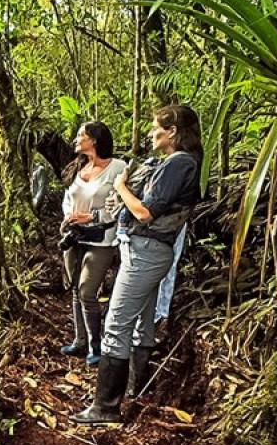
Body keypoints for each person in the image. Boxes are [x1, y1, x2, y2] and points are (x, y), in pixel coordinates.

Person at [72, 105, 202, 423]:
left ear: (171, 132)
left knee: (115, 325)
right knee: (141, 325)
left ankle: (105, 407)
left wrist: (120, 188)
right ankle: (135, 390)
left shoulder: (179, 163)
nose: (149, 132)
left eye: (155, 127)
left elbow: (145, 212)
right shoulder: (171, 163)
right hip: (145, 250)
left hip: (146, 252)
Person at [60, 122, 127, 366]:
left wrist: (94, 216)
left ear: (95, 140)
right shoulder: (78, 167)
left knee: (88, 290)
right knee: (76, 290)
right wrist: (70, 216)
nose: (76, 139)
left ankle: (96, 346)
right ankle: (80, 341)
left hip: (102, 239)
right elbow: (68, 198)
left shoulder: (118, 168)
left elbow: (121, 203)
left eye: (81, 135)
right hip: (75, 237)